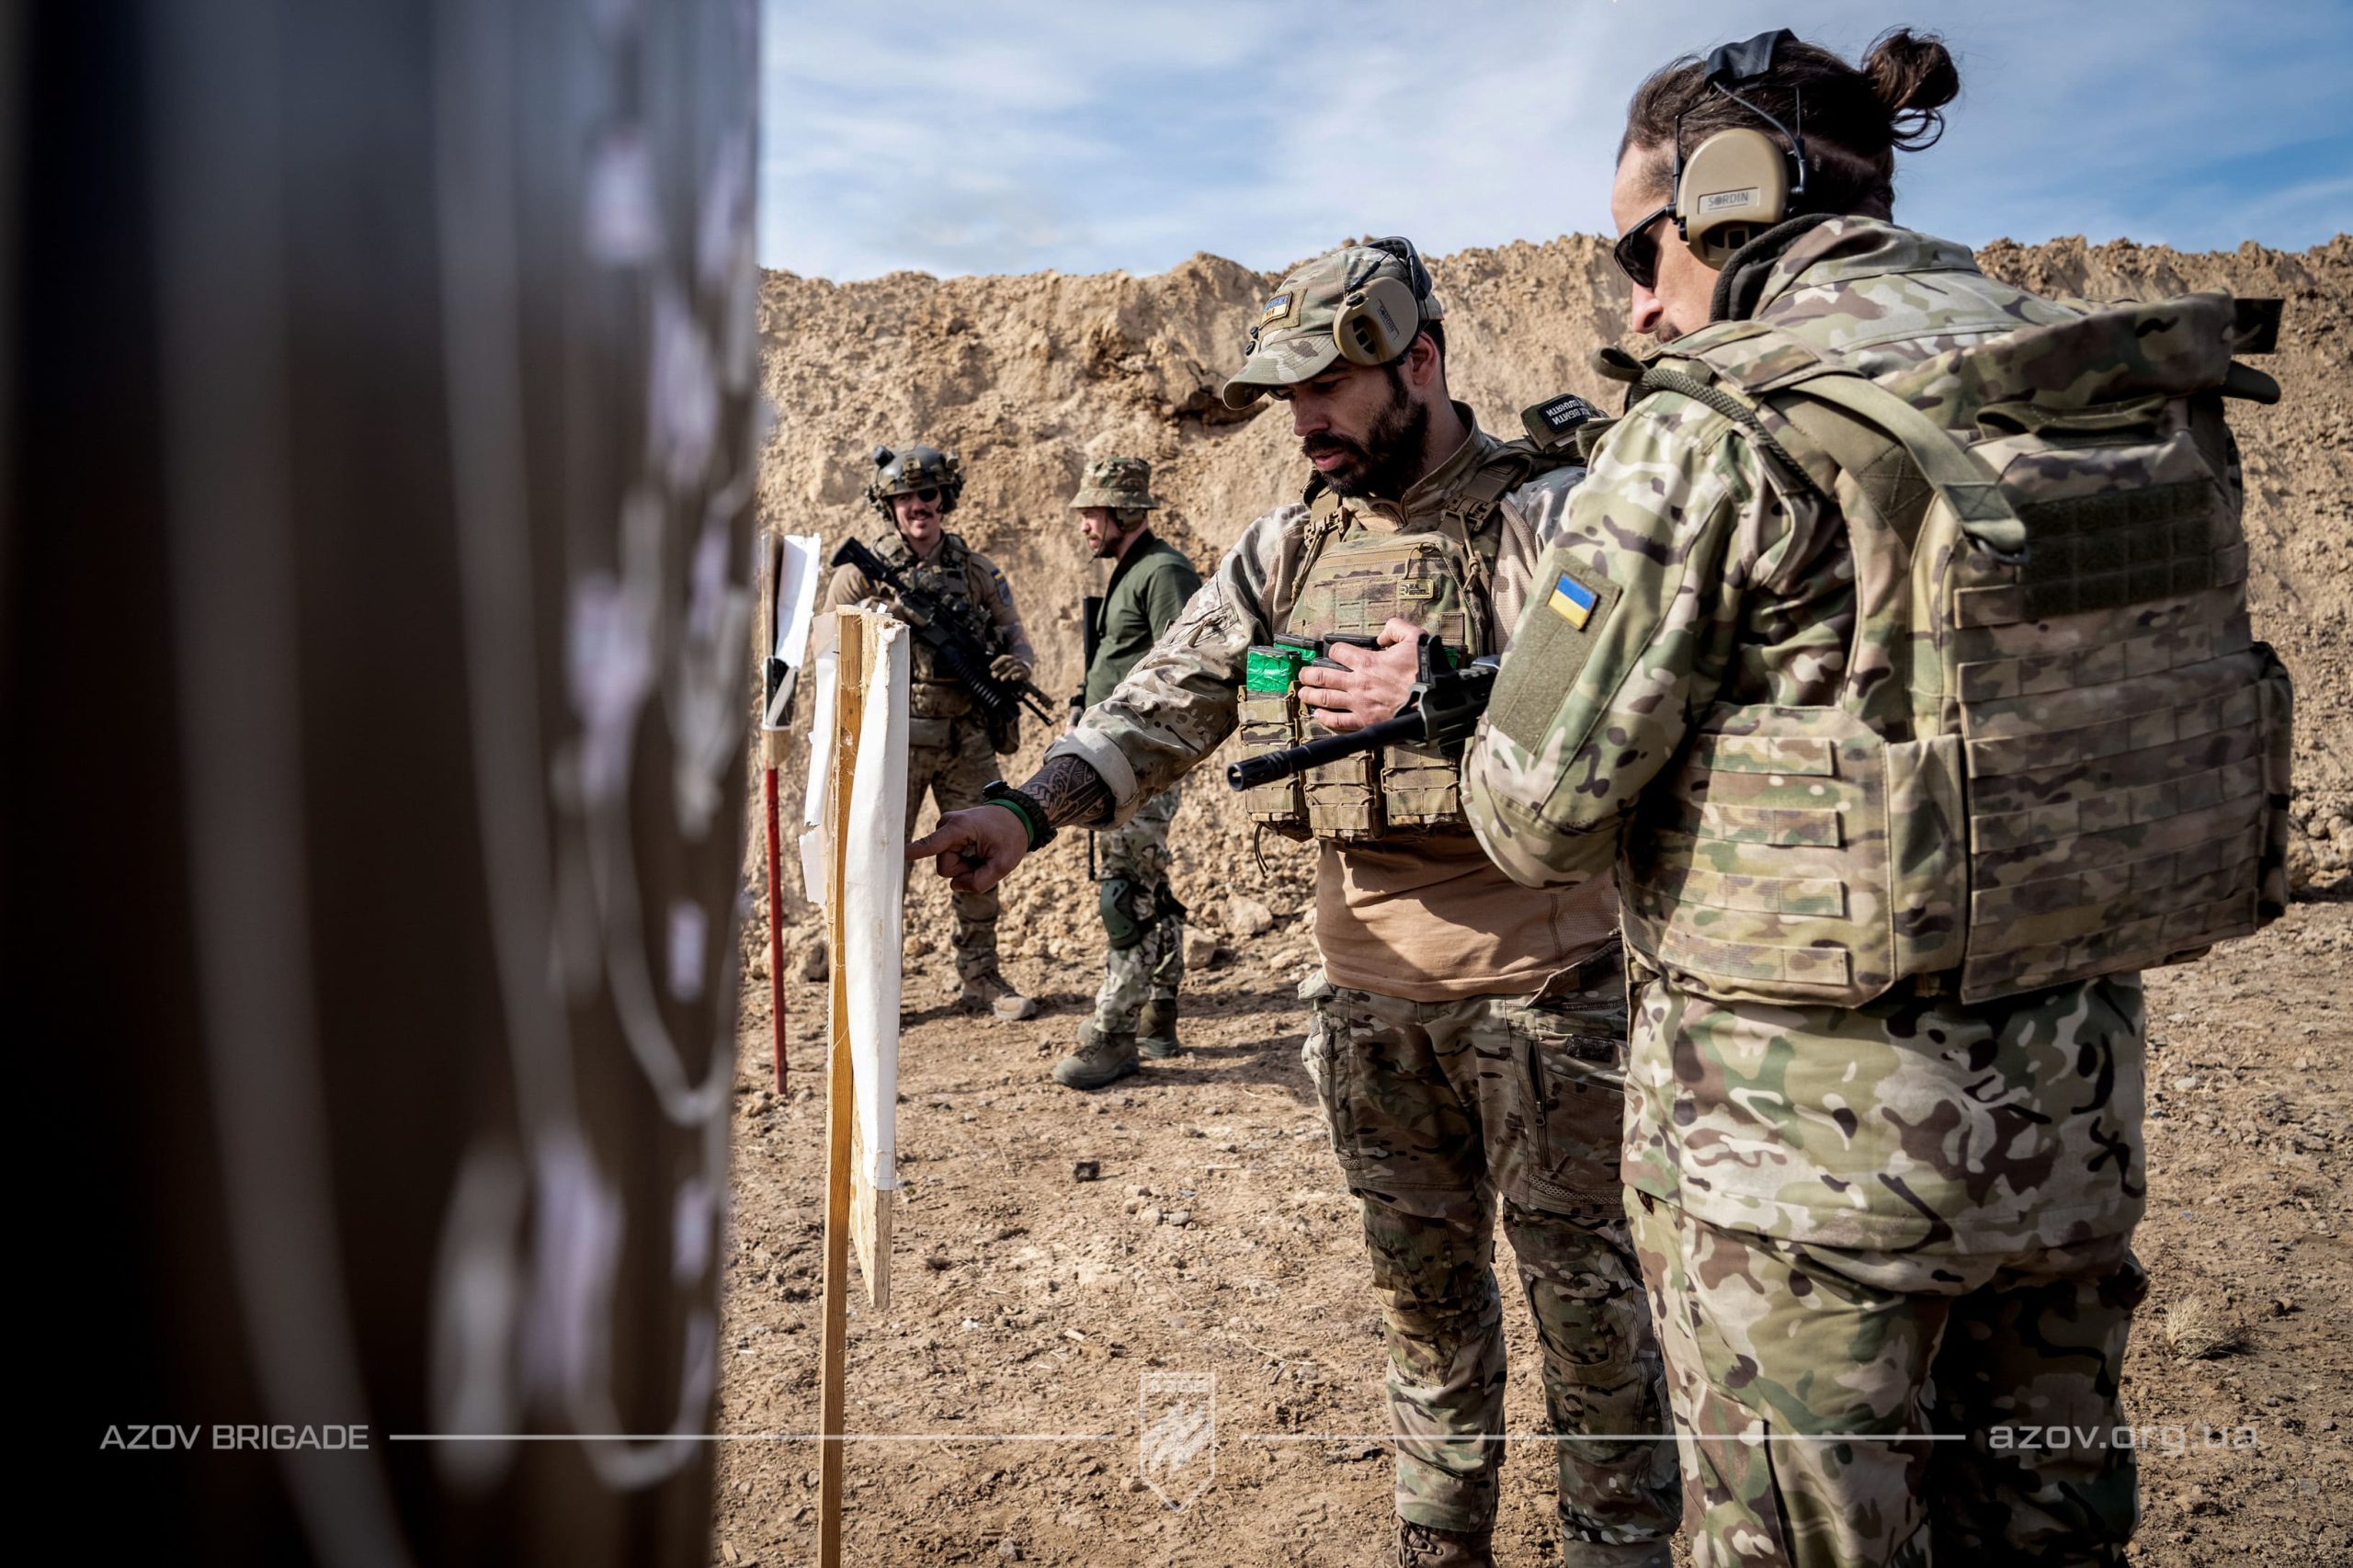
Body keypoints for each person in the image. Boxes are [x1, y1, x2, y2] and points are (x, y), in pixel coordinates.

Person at [1461, 28, 2290, 1567]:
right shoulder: (2104, 383)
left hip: (1801, 1189)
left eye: (1638, 249)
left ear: (1719, 207)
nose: (1637, 301)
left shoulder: (1709, 422)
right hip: (2071, 1144)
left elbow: (1536, 816)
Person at [911, 241, 1680, 1568]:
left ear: (1419, 364)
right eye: (1289, 396)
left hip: (1548, 1000)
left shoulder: (1549, 515)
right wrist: (1021, 812)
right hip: (1369, 994)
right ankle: (1441, 1544)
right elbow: (1162, 703)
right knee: (1423, 1307)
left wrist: (1449, 689)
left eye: (1330, 386)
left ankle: (1621, 1547)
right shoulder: (1287, 547)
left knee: (1588, 1306)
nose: (1306, 419)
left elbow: (1637, 696)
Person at [823, 442, 1040, 1020]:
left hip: (966, 737)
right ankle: (874, 989)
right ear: (887, 505)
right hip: (890, 737)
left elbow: (1014, 634)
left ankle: (981, 976)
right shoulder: (859, 576)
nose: (918, 505)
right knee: (880, 861)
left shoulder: (976, 572)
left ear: (945, 498)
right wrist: (873, 626)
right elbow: (827, 652)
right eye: (904, 497)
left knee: (979, 854)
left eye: (928, 494)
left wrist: (1016, 665)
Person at [1052, 456, 1205, 1089]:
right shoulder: (1134, 570)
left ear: (1125, 512)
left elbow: (1189, 662)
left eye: (1094, 511)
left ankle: (1115, 1032)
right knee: (1144, 884)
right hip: (1120, 754)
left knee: (1124, 890)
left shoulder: (1162, 571)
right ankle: (1157, 1013)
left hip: (1142, 759)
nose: (1085, 524)